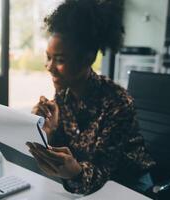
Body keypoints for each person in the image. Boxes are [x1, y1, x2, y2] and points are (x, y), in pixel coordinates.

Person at [26, 0, 156, 195]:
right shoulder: (63, 95)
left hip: (129, 185)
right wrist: (49, 131)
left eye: (60, 60)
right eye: (48, 57)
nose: (49, 66)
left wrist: (75, 173)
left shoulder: (118, 103)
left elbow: (102, 172)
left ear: (88, 58)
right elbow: (67, 153)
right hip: (88, 183)